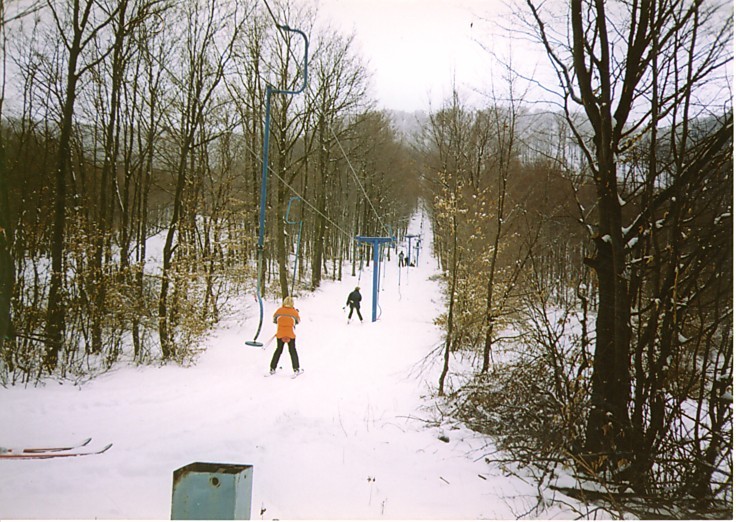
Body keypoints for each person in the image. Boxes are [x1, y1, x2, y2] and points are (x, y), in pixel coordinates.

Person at [269, 296, 301, 376]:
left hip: (280, 334)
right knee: (292, 351)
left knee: (278, 350)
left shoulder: (279, 311)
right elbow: (297, 321)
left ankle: (272, 368)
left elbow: (274, 320)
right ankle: (296, 368)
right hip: (290, 334)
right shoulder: (294, 312)